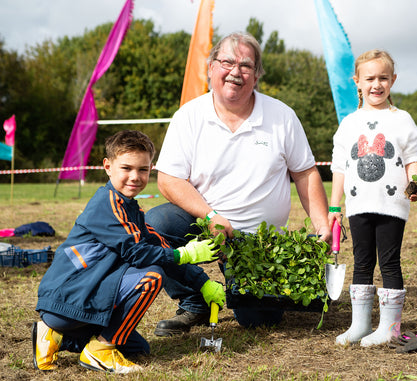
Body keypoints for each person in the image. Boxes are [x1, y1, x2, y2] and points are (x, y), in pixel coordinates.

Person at [145, 32, 332, 334]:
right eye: (227, 62)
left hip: (260, 242)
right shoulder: (189, 116)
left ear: (257, 75)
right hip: (205, 223)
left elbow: (305, 173)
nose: (235, 72)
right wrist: (210, 216)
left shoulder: (282, 116)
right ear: (210, 67)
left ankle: (234, 288)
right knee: (153, 226)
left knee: (260, 321)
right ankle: (195, 300)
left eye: (246, 65)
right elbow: (168, 179)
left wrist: (322, 225)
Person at [33, 130, 225, 374]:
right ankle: (100, 351)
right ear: (107, 166)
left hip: (78, 299)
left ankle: (54, 336)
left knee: (138, 349)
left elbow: (157, 243)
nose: (135, 177)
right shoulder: (108, 203)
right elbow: (139, 253)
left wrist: (202, 282)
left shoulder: (128, 206)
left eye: (143, 169)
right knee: (152, 276)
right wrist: (182, 254)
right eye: (126, 168)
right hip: (69, 299)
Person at [329, 49, 417, 347]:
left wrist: (415, 182)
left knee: (389, 262)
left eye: (383, 78)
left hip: (392, 205)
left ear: (393, 80)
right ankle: (360, 325)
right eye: (370, 78)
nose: (376, 84)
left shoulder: (402, 119)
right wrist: (334, 206)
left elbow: (412, 158)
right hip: (359, 205)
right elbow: (340, 167)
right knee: (362, 261)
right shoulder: (349, 123)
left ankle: (390, 328)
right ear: (357, 81)